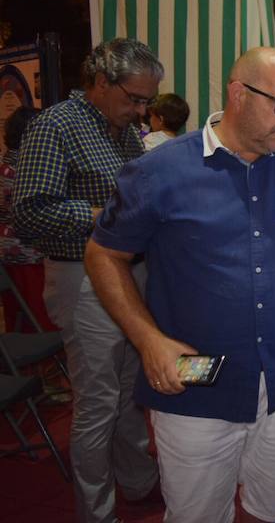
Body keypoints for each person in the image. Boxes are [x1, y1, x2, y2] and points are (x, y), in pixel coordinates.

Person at [84, 47, 275, 523]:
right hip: (195, 389)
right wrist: (147, 340)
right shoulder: (159, 171)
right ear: (237, 94)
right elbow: (104, 253)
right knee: (196, 514)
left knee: (274, 509)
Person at [13, 38, 161, 523]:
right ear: (101, 82)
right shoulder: (55, 126)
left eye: (147, 101)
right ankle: (97, 512)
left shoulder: (122, 131)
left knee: (129, 389)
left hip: (126, 271)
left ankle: (138, 482)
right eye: (135, 99)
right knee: (98, 401)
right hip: (81, 277)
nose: (142, 111)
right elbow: (32, 214)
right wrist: (111, 216)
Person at [0, 106, 55, 333]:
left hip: (5, 251)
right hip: (29, 252)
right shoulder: (26, 171)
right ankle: (45, 364)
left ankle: (20, 363)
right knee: (41, 315)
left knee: (15, 313)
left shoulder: (5, 166)